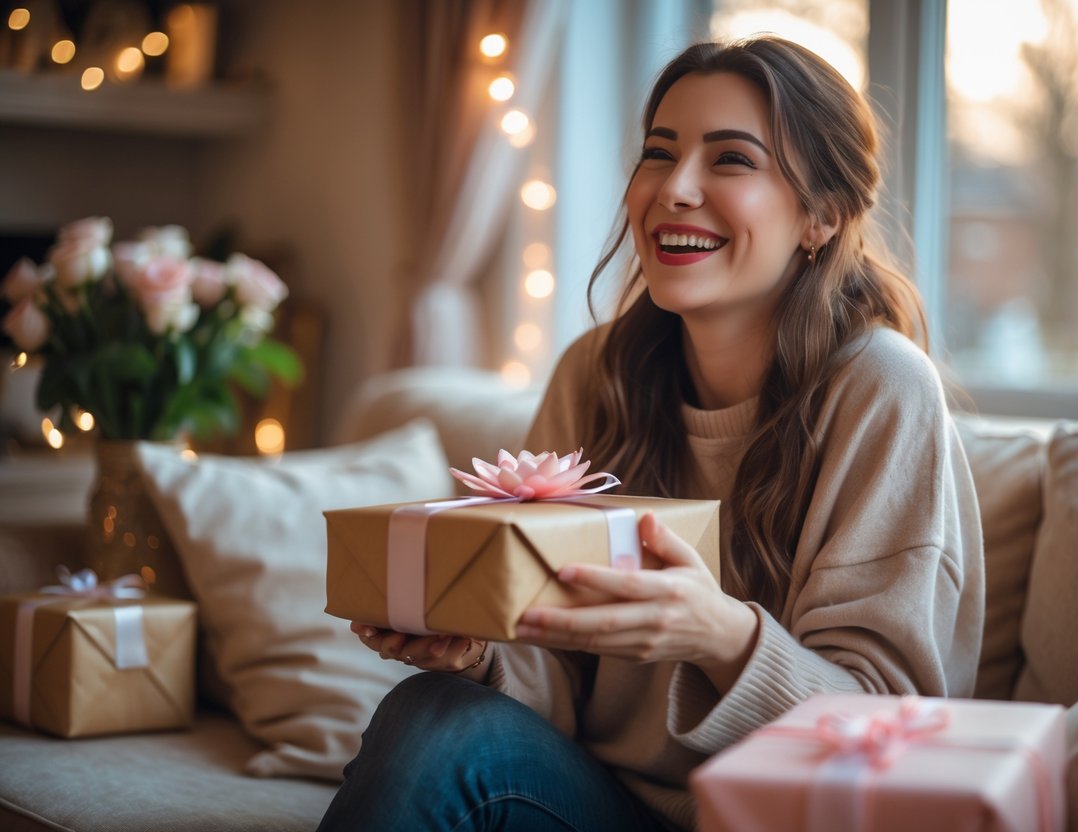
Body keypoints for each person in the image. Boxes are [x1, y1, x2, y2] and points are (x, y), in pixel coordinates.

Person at [317, 35, 983, 832]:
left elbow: (885, 732)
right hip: (593, 802)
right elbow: (558, 679)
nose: (676, 188)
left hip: (771, 816)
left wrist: (721, 635)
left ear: (821, 215)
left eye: (730, 160)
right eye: (658, 154)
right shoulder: (595, 373)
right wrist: (480, 653)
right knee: (431, 707)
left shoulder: (881, 388)